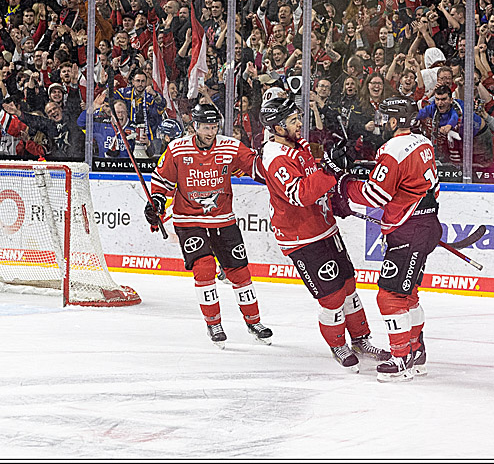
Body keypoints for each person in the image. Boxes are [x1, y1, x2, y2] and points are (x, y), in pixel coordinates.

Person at [258, 93, 389, 373]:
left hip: (324, 226)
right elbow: (299, 193)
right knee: (331, 297)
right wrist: (329, 171)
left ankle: (361, 340)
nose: (298, 124)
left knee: (349, 287)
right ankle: (337, 344)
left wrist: (334, 191)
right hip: (301, 237)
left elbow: (315, 178)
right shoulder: (275, 157)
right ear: (277, 127)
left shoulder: (297, 144)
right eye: (292, 120)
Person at [145, 103, 273, 348]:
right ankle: (214, 323)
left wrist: (271, 155)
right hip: (188, 220)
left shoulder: (230, 146)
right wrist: (157, 203)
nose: (210, 132)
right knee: (204, 268)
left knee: (239, 272)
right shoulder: (177, 149)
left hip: (223, 219)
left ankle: (254, 322)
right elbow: (161, 181)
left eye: (214, 126)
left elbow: (256, 167)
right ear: (195, 126)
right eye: (205, 127)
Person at [336, 96, 441, 381]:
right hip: (426, 225)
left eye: (384, 118)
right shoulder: (423, 143)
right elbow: (432, 187)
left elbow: (374, 194)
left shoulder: (393, 150)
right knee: (408, 295)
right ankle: (416, 352)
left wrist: (344, 184)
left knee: (390, 296)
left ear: (395, 121)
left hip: (409, 231)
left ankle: (400, 359)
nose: (380, 123)